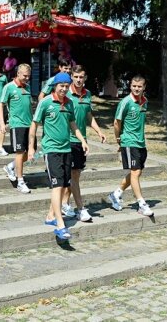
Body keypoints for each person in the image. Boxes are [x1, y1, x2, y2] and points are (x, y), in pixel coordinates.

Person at [29, 72, 90, 240]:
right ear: (55, 86)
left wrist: (82, 140)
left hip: (67, 149)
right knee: (57, 186)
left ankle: (50, 216)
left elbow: (73, 125)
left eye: (66, 86)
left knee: (63, 185)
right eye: (61, 86)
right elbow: (34, 125)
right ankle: (60, 224)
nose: (63, 89)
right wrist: (31, 148)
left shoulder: (69, 103)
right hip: (52, 150)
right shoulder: (46, 102)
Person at [60, 65, 107, 222]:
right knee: (73, 175)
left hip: (82, 141)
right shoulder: (65, 93)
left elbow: (89, 116)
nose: (79, 80)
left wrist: (99, 131)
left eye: (81, 77)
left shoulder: (87, 95)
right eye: (76, 77)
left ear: (85, 78)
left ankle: (65, 204)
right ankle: (80, 208)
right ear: (72, 76)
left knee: (75, 175)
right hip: (68, 140)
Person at [107, 75, 154, 217]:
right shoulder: (125, 102)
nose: (136, 89)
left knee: (137, 172)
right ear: (130, 86)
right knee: (135, 172)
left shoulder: (145, 102)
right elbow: (116, 122)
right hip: (129, 141)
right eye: (134, 86)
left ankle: (116, 194)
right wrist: (118, 138)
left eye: (139, 86)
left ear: (144, 87)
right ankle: (141, 203)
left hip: (141, 142)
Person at [0, 64, 34, 194]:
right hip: (17, 124)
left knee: (30, 153)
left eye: (28, 76)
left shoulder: (28, 87)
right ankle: (20, 181)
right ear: (18, 73)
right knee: (20, 153)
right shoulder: (9, 87)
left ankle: (10, 167)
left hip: (29, 125)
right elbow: (1, 105)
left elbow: (29, 106)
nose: (26, 78)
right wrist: (2, 123)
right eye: (24, 75)